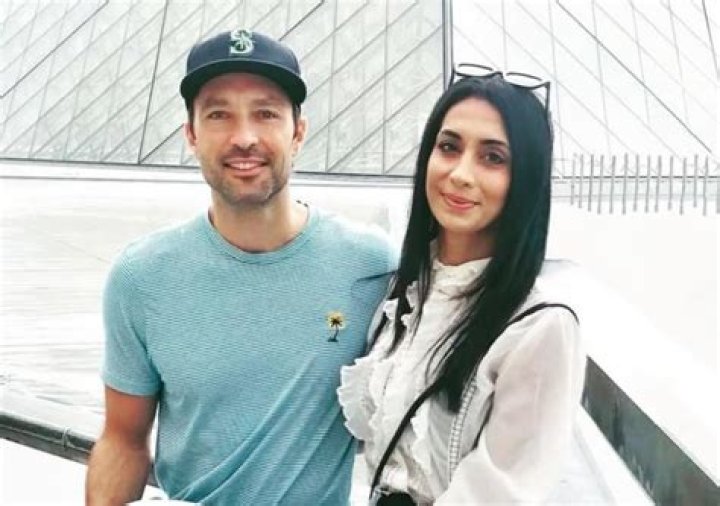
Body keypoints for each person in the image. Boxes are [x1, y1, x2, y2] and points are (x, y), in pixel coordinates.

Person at [85, 28, 396, 505]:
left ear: (298, 131)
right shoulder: (141, 278)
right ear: (191, 134)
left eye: (266, 113)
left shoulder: (374, 265)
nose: (244, 137)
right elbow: (123, 440)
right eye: (219, 115)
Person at [337, 65, 587, 504]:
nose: (460, 174)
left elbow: (502, 492)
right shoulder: (407, 293)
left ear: (525, 179)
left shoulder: (539, 328)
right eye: (449, 147)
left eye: (493, 157)